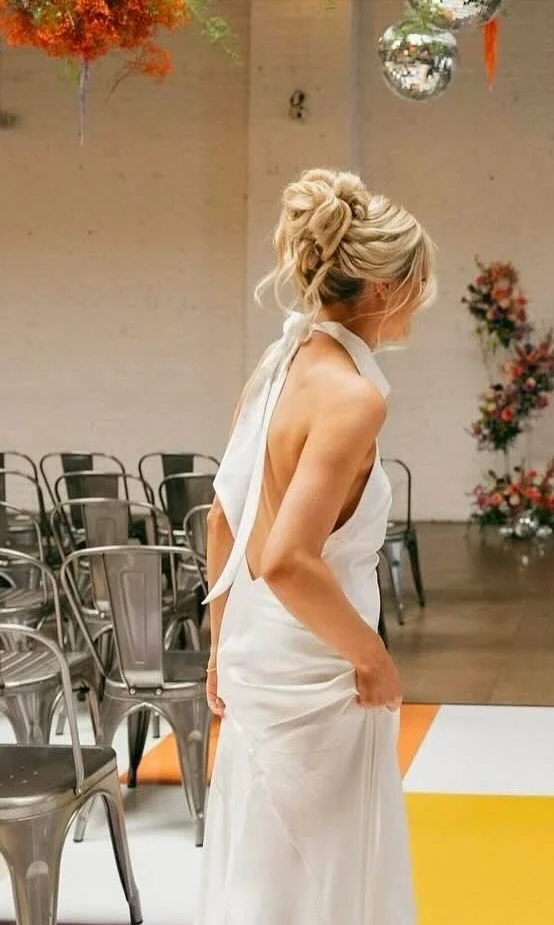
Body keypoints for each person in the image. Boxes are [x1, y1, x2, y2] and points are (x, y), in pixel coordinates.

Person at [195, 167, 436, 925]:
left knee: (263, 867)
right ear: (385, 288)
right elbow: (287, 558)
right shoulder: (351, 395)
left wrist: (216, 643)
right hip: (315, 667)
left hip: (255, 650)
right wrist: (373, 657)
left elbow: (221, 518)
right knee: (319, 875)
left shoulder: (281, 364)